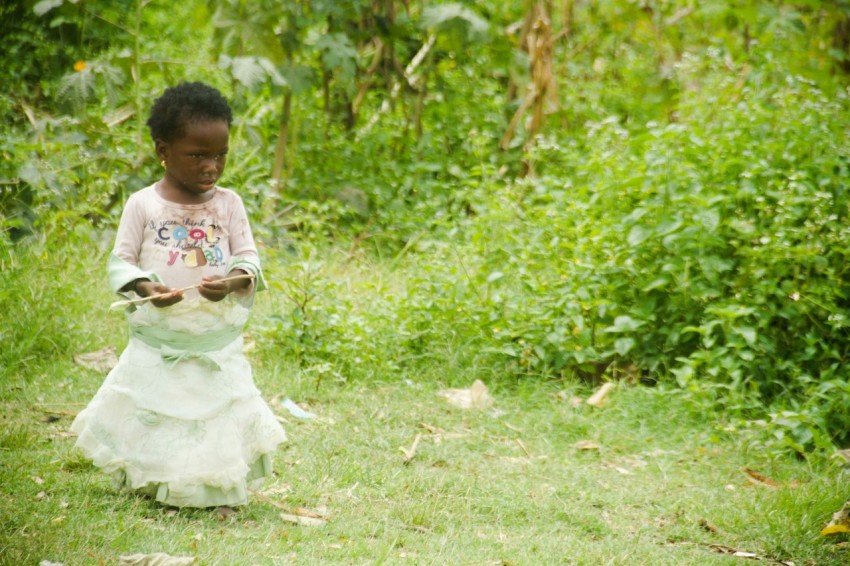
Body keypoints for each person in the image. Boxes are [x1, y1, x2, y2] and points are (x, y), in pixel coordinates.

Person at [71, 82, 286, 509]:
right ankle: (158, 479)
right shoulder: (142, 205)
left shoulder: (229, 205)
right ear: (162, 150)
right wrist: (145, 287)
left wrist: (231, 282)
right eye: (198, 155)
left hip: (212, 340)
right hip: (160, 339)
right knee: (159, 412)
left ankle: (215, 487)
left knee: (211, 414)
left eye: (221, 155)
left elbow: (249, 259)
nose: (212, 167)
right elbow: (121, 262)